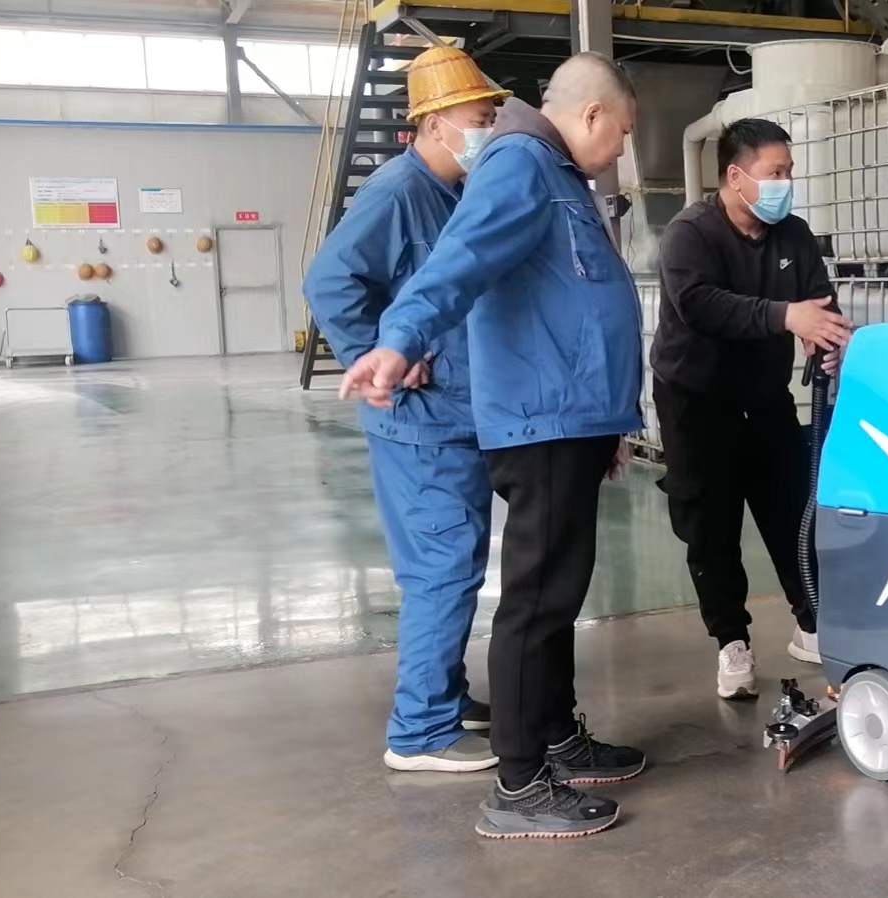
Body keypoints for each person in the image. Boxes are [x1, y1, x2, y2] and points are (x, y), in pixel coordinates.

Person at [340, 53, 645, 840]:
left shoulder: (553, 171)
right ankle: (519, 785)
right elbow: (459, 261)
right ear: (591, 115)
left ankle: (556, 737)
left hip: (572, 419)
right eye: (622, 131)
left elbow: (574, 301)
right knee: (536, 603)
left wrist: (611, 420)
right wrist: (397, 341)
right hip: (543, 421)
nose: (622, 147)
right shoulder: (520, 164)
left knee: (558, 595)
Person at [302, 45, 507, 774]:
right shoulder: (397, 192)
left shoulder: (452, 191)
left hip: (454, 417)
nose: (488, 129)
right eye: (479, 118)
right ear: (434, 122)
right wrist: (377, 352)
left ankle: (443, 694)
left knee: (457, 563)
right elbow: (329, 281)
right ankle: (420, 731)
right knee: (442, 568)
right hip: (419, 421)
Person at [651, 118, 851, 701]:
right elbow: (700, 305)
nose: (784, 183)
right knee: (711, 527)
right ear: (736, 177)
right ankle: (732, 640)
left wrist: (829, 337)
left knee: (792, 511)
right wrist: (787, 317)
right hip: (696, 400)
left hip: (764, 398)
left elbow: (820, 302)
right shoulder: (691, 234)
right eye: (774, 172)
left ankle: (812, 621)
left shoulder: (793, 235)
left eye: (789, 171)